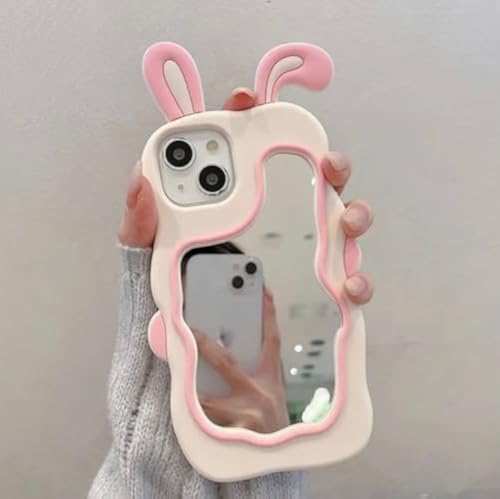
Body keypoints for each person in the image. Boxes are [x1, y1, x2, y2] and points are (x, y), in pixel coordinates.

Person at [89, 88, 374, 498]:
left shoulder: (306, 411)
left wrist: (268, 448)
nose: (214, 340)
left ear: (265, 315)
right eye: (195, 314)